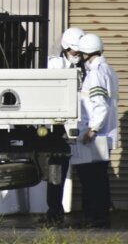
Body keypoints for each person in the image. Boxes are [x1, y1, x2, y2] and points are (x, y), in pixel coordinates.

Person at [38, 27, 86, 227]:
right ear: (66, 47)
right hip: (57, 128)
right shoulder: (54, 64)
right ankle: (54, 211)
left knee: (87, 173)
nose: (78, 55)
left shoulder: (88, 67)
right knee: (56, 171)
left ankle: (91, 213)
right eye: (75, 51)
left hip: (82, 127)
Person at [71, 33, 118, 228]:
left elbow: (100, 105)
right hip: (104, 135)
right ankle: (100, 218)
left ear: (86, 52)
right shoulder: (108, 70)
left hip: (95, 136)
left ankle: (94, 219)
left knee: (91, 181)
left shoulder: (96, 73)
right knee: (99, 179)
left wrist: (92, 129)